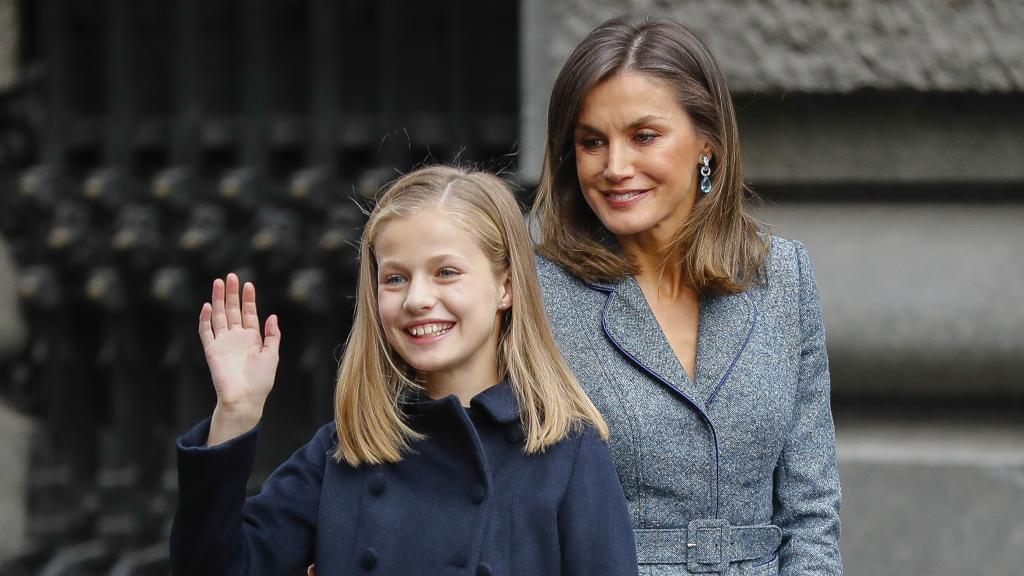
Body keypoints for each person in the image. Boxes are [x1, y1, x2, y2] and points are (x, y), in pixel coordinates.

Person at [170, 166, 638, 575]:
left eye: (446, 272)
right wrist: (236, 411)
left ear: (506, 287)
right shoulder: (345, 451)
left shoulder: (565, 451)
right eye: (395, 278)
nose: (416, 299)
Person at [531, 15, 843, 576]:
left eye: (644, 136)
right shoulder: (539, 294)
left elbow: (812, 511)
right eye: (591, 142)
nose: (615, 167)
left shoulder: (783, 276)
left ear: (707, 144)